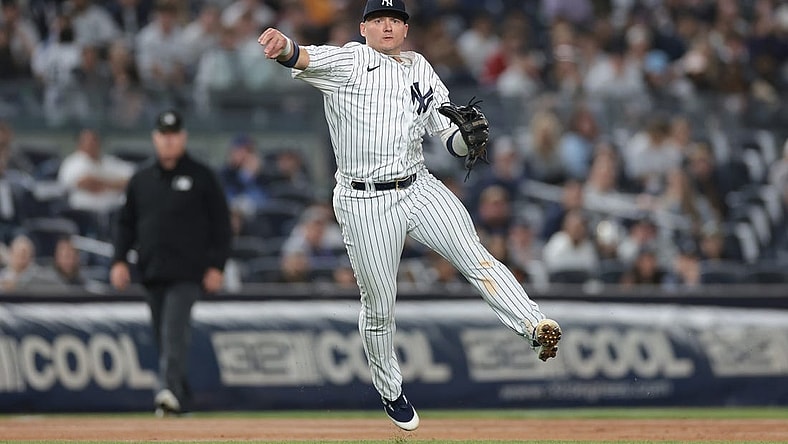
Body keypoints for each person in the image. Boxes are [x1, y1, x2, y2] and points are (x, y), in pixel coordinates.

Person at [257, 0, 561, 431]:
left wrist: (466, 141)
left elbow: (449, 134)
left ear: (405, 29)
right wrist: (282, 44)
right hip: (365, 202)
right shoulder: (350, 60)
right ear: (364, 28)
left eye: (395, 20)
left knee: (477, 258)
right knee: (380, 306)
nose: (387, 27)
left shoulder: (420, 66)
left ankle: (535, 326)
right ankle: (390, 389)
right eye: (378, 20)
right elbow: (302, 55)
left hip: (418, 185)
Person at [109, 109, 232, 417]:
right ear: (155, 138)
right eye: (163, 135)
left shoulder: (202, 176)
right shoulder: (140, 180)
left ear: (183, 137)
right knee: (163, 337)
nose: (168, 141)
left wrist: (217, 265)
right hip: (151, 271)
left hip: (188, 272)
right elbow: (125, 224)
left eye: (174, 135)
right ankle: (182, 398)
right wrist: (119, 260)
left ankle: (167, 391)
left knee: (173, 331)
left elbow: (222, 224)